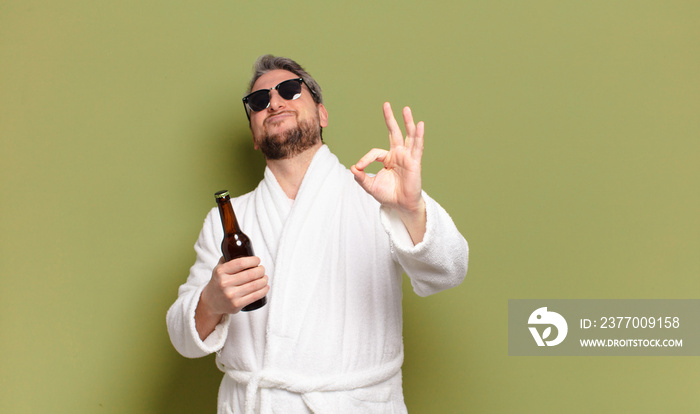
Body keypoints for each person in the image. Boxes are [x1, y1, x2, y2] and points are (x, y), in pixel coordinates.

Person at [166, 55, 469, 414]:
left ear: (322, 114)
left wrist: (411, 207)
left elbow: (449, 270)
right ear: (254, 134)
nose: (274, 102)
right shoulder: (228, 220)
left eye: (290, 90)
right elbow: (182, 337)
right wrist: (212, 301)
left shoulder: (378, 194)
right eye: (259, 102)